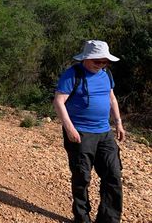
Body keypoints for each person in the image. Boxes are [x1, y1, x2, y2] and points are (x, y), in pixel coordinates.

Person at [53, 40, 124, 223]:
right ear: (86, 58)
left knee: (113, 174)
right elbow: (59, 101)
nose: (101, 65)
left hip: (104, 132)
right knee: (82, 177)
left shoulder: (106, 74)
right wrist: (69, 128)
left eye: (104, 62)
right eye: (97, 61)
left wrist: (118, 123)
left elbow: (112, 99)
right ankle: (82, 217)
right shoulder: (72, 74)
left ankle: (109, 219)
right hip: (80, 133)